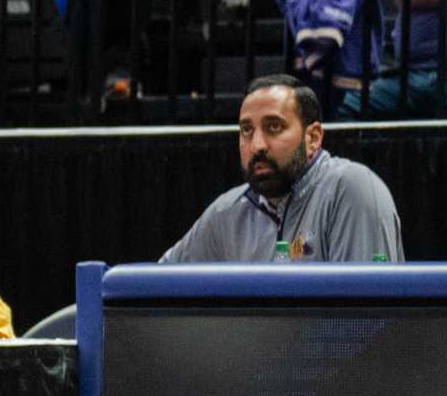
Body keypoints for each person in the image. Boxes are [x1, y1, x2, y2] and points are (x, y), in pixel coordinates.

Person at [163, 76, 404, 261]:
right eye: (247, 130)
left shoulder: (352, 189)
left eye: (274, 127)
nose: (257, 145)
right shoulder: (226, 213)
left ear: (313, 138)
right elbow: (156, 287)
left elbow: (367, 317)